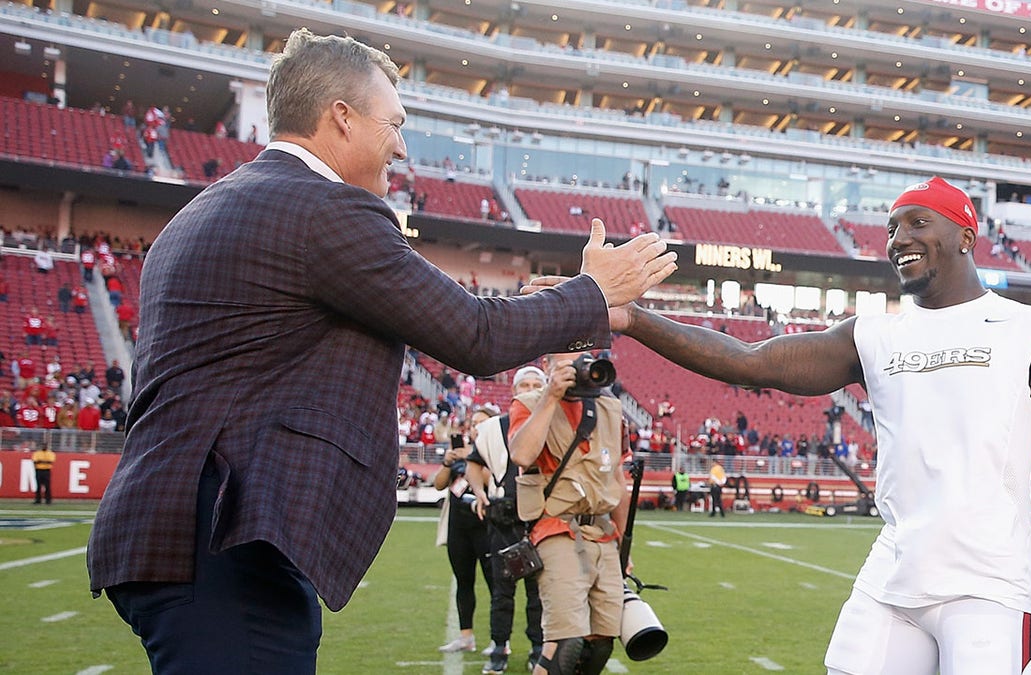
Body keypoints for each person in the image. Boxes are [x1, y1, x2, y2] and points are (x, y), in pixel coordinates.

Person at [85, 29, 676, 674]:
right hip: (225, 532)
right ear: (341, 117)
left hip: (173, 525)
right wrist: (593, 292)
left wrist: (573, 309)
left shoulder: (205, 210)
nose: (401, 146)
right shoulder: (322, 208)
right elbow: (474, 334)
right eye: (393, 124)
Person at [591, 176, 1031, 674]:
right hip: (892, 573)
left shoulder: (1030, 330)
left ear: (966, 237)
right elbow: (749, 360)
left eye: (917, 223)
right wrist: (633, 319)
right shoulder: (874, 335)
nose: (899, 239)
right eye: (892, 229)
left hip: (988, 585)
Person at [508, 354, 630, 675]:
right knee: (566, 643)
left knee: (600, 643)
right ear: (548, 365)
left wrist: (624, 545)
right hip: (557, 526)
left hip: (603, 532)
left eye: (584, 362)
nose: (579, 370)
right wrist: (551, 396)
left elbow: (617, 478)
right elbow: (521, 454)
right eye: (569, 363)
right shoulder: (529, 402)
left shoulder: (610, 407)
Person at [465, 366, 550, 673]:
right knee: (503, 590)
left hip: (542, 514)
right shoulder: (494, 427)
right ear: (514, 391)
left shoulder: (555, 422)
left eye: (537, 384)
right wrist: (479, 493)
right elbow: (473, 464)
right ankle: (499, 646)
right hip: (505, 516)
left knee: (539, 592)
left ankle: (539, 647)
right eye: (525, 385)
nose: (530, 389)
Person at [433, 409, 495, 657]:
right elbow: (439, 484)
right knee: (463, 581)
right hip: (458, 526)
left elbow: (493, 481)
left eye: (482, 423)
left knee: (495, 584)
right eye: (474, 423)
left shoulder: (496, 450)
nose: (476, 427)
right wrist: (448, 462)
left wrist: (472, 456)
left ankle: (499, 639)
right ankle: (465, 636)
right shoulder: (459, 451)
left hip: (485, 526)